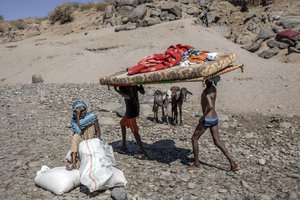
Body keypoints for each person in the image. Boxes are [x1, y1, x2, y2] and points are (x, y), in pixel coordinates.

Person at [188, 76, 239, 171]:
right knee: (217, 141)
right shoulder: (213, 89)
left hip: (207, 119)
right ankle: (233, 163)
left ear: (208, 81)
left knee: (194, 138)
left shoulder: (206, 92)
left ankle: (196, 164)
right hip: (214, 118)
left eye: (205, 79)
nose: (203, 80)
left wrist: (202, 117)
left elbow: (210, 106)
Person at [114, 85, 148, 159]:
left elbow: (128, 96)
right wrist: (140, 85)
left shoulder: (123, 86)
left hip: (131, 111)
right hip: (133, 108)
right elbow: (143, 92)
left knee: (134, 131)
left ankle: (144, 153)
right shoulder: (133, 84)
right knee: (122, 123)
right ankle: (124, 146)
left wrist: (117, 90)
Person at [66, 100, 101, 170]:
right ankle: (73, 162)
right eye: (80, 112)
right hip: (82, 141)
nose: (83, 112)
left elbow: (98, 132)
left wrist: (96, 141)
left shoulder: (92, 117)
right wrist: (78, 117)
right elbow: (78, 131)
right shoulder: (74, 121)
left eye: (84, 110)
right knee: (75, 136)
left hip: (91, 140)